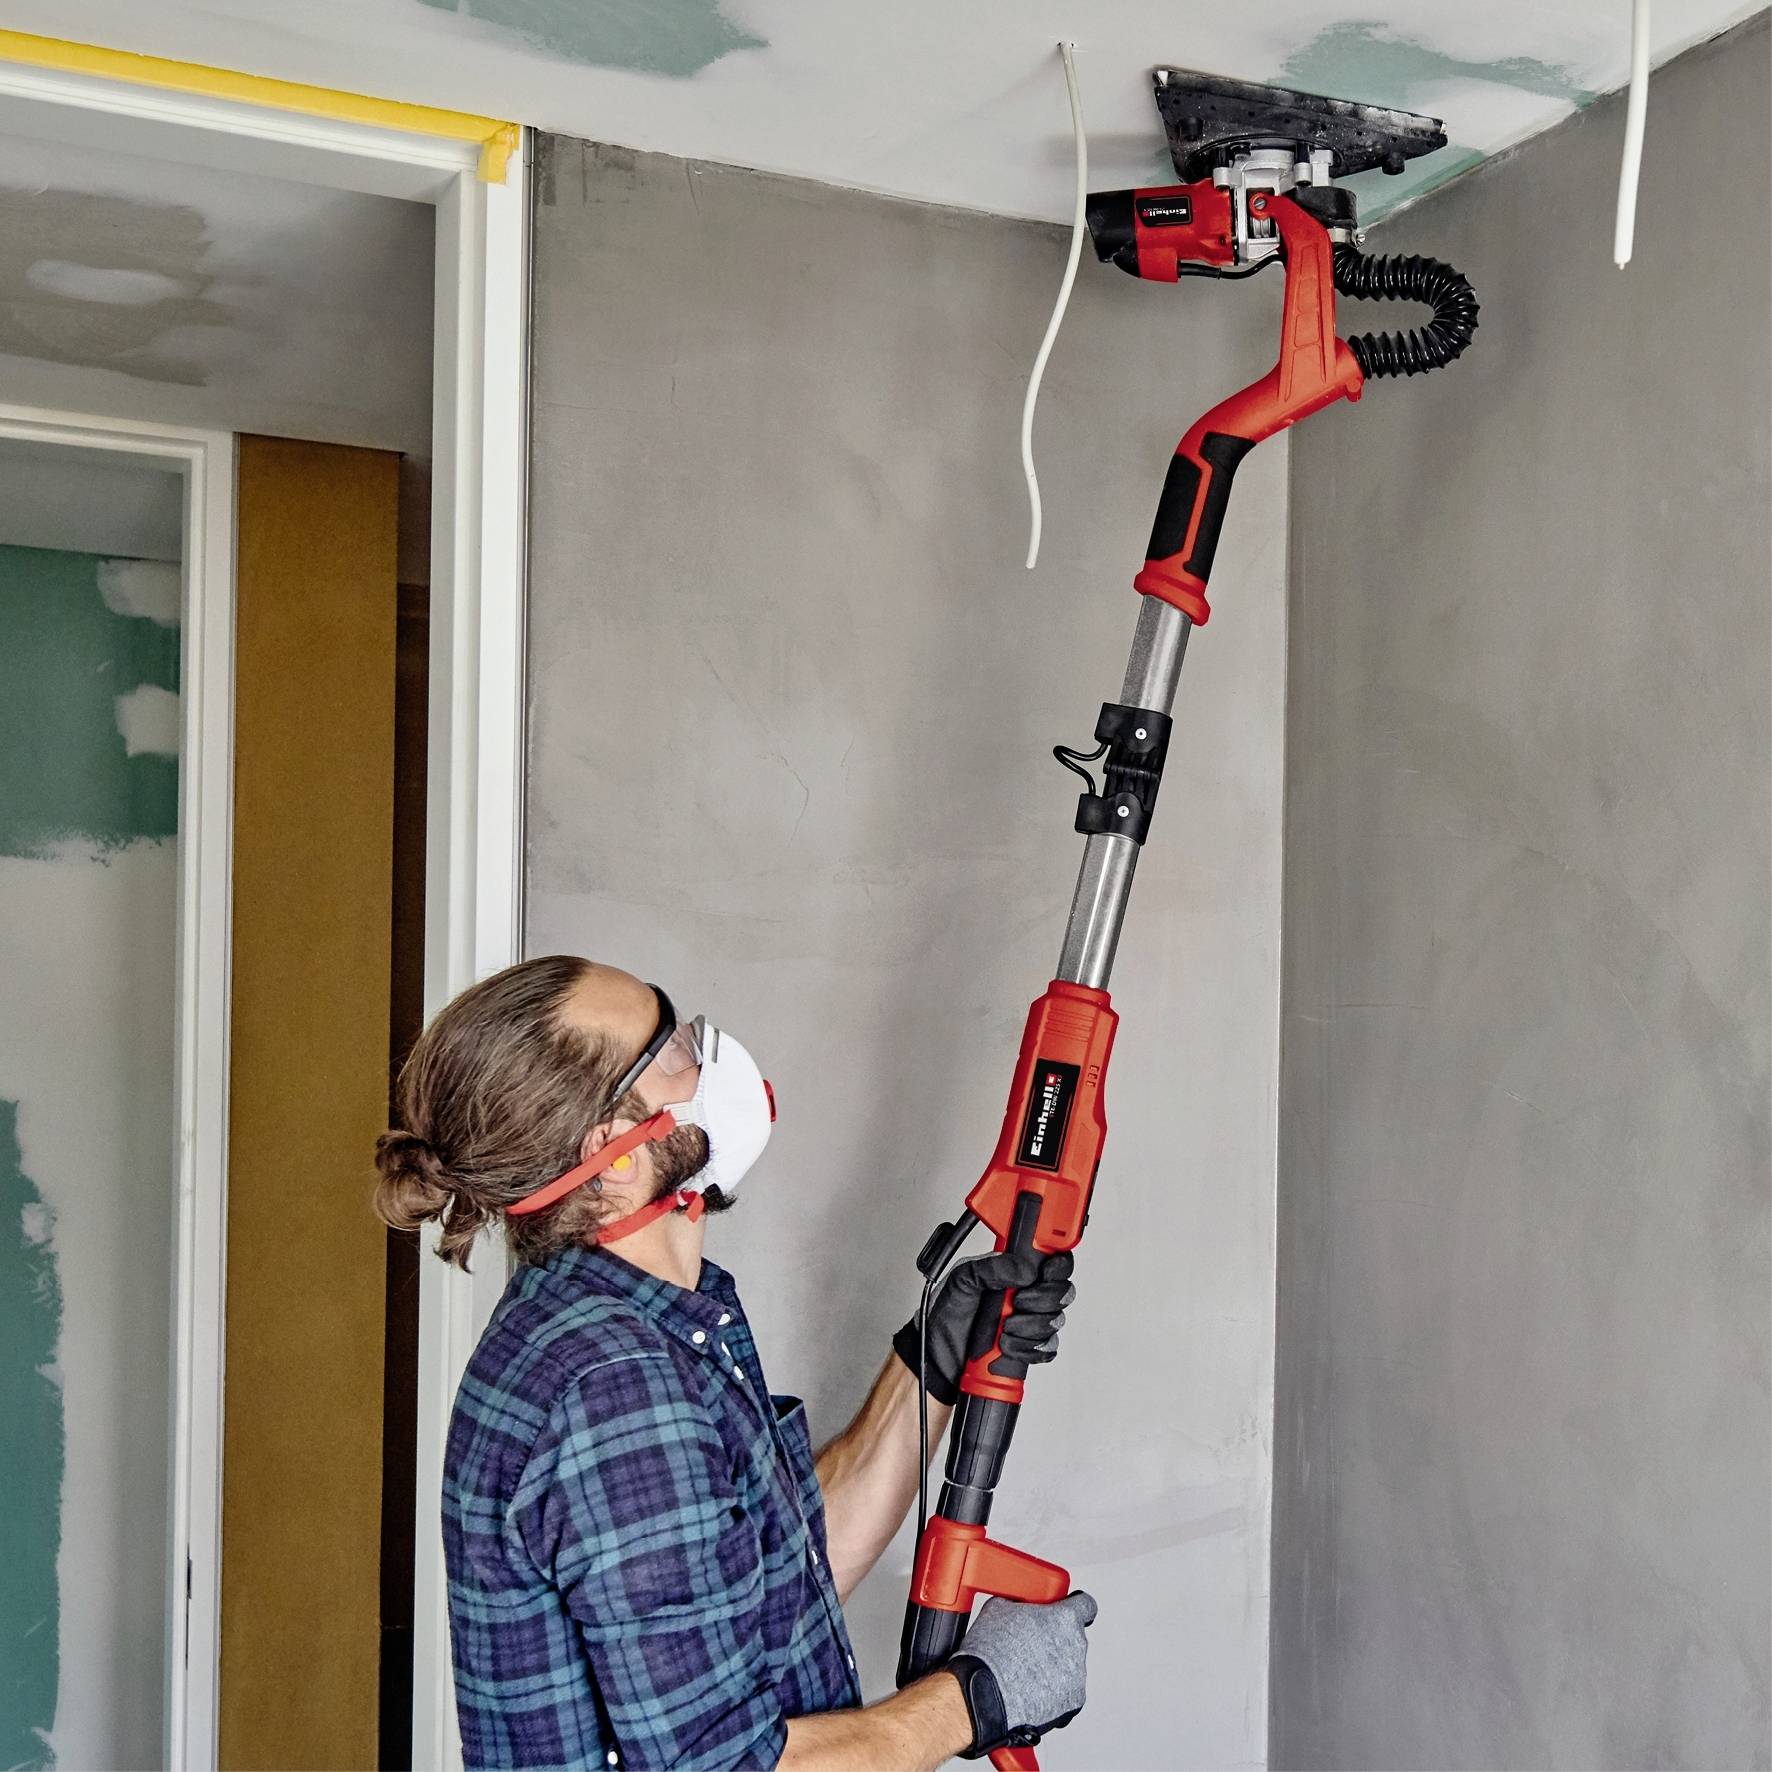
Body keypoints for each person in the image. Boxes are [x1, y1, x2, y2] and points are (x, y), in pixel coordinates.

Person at [375, 954, 1097, 1771]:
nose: (709, 1050)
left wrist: (930, 1360)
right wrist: (977, 1699)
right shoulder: (618, 1392)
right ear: (616, 1155)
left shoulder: (615, 1326)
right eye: (673, 1044)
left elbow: (770, 1588)